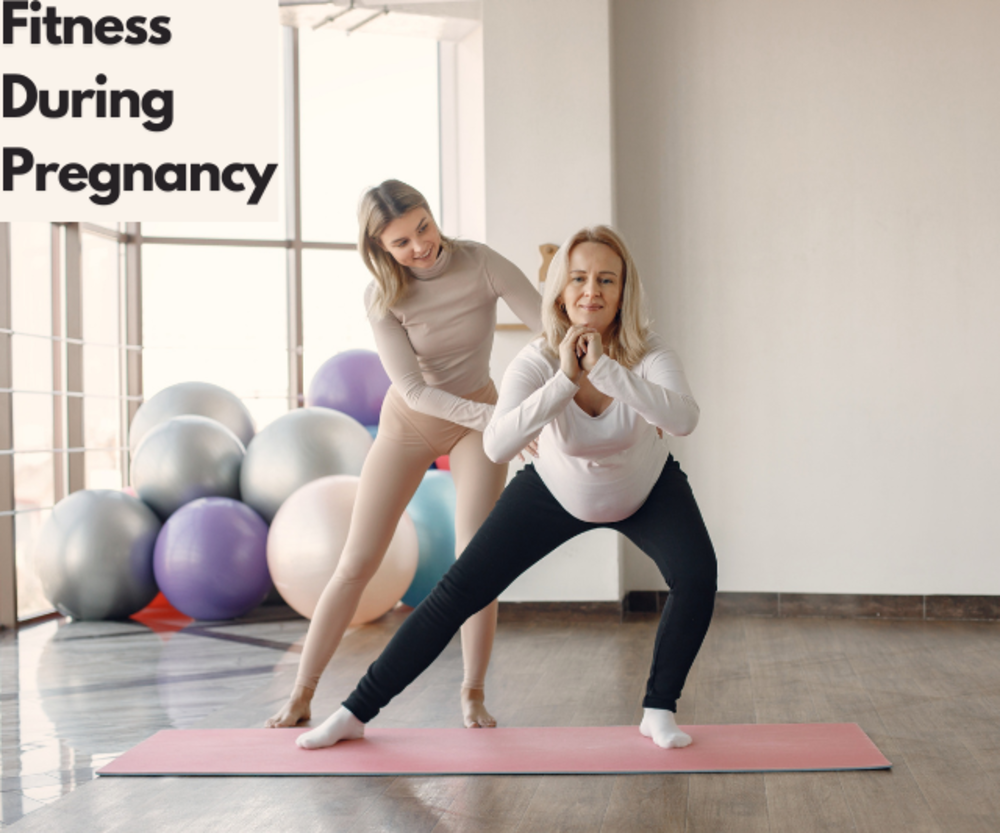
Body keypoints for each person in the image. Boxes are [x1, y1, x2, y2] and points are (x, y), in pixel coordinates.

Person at [294, 225, 717, 751]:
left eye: (606, 279)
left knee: (697, 576)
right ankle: (355, 712)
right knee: (456, 593)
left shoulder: (650, 353)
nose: (591, 291)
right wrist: (565, 380)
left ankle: (658, 709)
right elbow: (497, 444)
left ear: (623, 290)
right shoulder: (537, 360)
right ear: (559, 291)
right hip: (555, 490)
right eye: (579, 278)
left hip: (645, 487)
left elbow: (684, 420)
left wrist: (607, 371)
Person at [265, 180, 543, 730]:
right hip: (410, 424)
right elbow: (414, 391)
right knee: (356, 563)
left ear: (431, 215)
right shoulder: (383, 298)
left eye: (423, 227)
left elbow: (547, 326)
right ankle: (301, 694)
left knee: (476, 562)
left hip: (475, 427)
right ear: (380, 248)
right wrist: (496, 419)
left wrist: (562, 387)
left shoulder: (482, 263)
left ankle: (472, 694)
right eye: (401, 242)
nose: (421, 246)